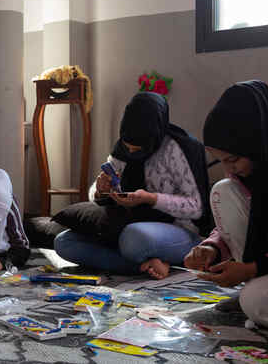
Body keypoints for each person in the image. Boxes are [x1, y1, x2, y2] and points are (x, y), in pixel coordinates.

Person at [54, 92, 212, 279]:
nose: (131, 152)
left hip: (178, 230)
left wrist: (151, 199)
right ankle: (146, 266)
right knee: (65, 242)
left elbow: (196, 208)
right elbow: (100, 192)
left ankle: (155, 258)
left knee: (133, 239)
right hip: (129, 222)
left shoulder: (177, 149)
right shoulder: (124, 146)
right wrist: (99, 190)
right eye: (128, 147)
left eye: (138, 149)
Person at [184, 80, 268, 329]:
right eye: (221, 161)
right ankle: (257, 289)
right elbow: (249, 218)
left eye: (234, 159)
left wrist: (251, 269)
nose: (230, 169)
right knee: (222, 190)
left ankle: (256, 292)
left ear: (256, 142)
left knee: (257, 302)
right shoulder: (252, 172)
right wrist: (213, 247)